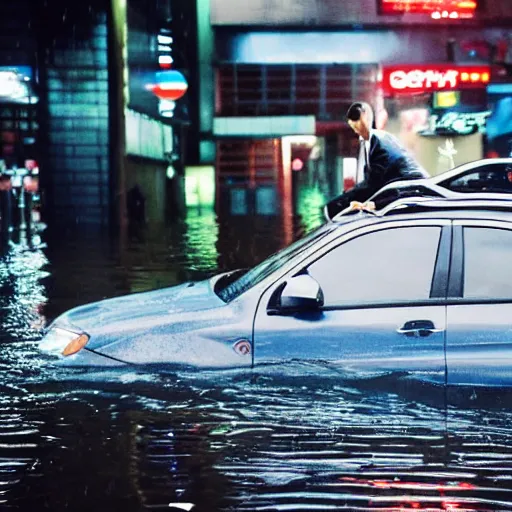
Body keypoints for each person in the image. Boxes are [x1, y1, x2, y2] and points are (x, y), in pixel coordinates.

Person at [324, 101, 429, 220]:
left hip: (410, 192)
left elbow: (373, 182)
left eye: (356, 126)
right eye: (353, 127)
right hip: (404, 192)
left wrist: (340, 204)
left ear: (365, 118)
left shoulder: (378, 143)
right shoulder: (374, 141)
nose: (355, 131)